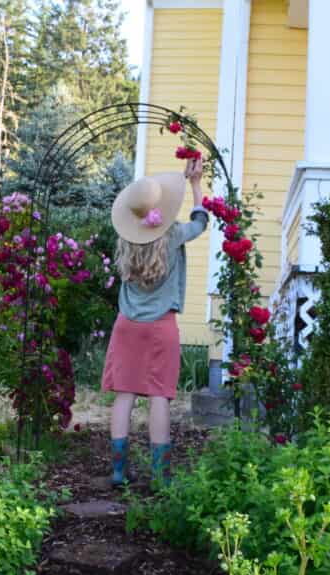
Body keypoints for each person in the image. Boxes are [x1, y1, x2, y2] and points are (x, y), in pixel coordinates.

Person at [101, 157, 207, 486]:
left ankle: (118, 471)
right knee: (159, 395)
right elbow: (201, 222)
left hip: (126, 326)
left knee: (125, 395)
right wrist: (195, 185)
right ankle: (160, 475)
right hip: (161, 328)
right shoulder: (172, 234)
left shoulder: (126, 239)